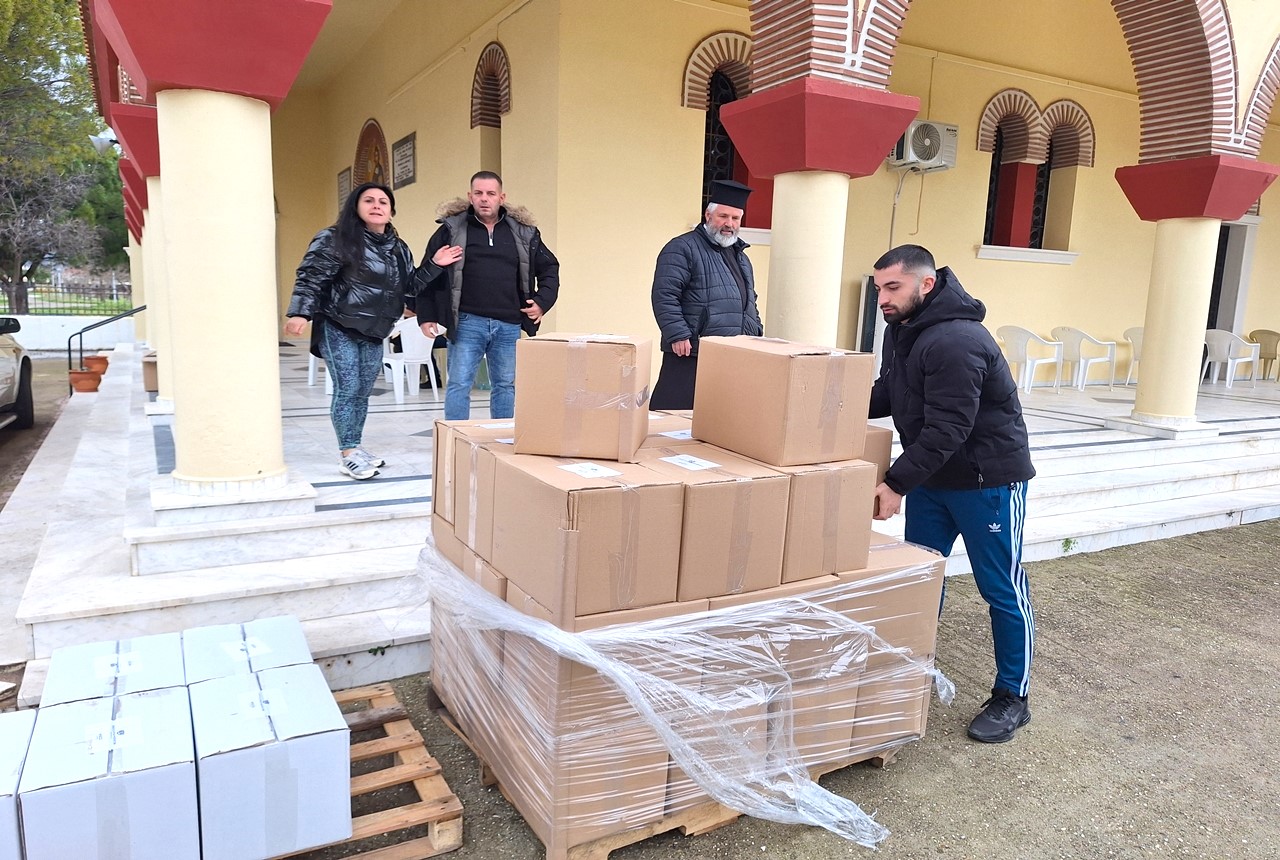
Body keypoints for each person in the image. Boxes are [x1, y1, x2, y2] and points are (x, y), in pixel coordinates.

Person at [867, 244, 1036, 744]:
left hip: (987, 483)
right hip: (935, 480)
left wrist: (895, 482)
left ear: (926, 284)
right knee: (923, 578)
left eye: (892, 287)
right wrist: (826, 399)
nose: (883, 299)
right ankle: (912, 669)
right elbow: (891, 391)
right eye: (878, 289)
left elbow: (949, 428)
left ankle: (1013, 697)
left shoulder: (957, 340)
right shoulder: (905, 329)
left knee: (1002, 589)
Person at [285, 182, 416, 480]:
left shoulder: (399, 248)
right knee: (347, 388)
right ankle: (348, 454)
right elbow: (312, 276)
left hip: (374, 329)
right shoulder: (335, 238)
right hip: (338, 323)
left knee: (362, 391)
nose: (376, 205)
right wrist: (300, 312)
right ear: (355, 207)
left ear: (391, 211)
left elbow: (410, 286)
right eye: (368, 200)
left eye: (383, 201)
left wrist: (435, 264)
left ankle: (355, 446)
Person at [415, 171, 560, 420]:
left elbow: (549, 268)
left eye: (491, 193)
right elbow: (429, 273)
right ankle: (455, 438)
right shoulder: (451, 230)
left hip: (509, 323)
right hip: (466, 322)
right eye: (479, 193)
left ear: (501, 198)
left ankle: (500, 438)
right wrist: (426, 315)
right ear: (470, 196)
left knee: (505, 385)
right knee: (459, 384)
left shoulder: (523, 233)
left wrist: (541, 302)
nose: (484, 198)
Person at [649, 179, 764, 410]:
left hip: (733, 351)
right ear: (708, 215)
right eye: (723, 216)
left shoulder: (741, 256)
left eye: (735, 218)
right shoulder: (682, 248)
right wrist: (677, 334)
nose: (729, 224)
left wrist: (756, 332)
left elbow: (749, 299)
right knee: (676, 416)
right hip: (691, 350)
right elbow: (665, 294)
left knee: (720, 416)